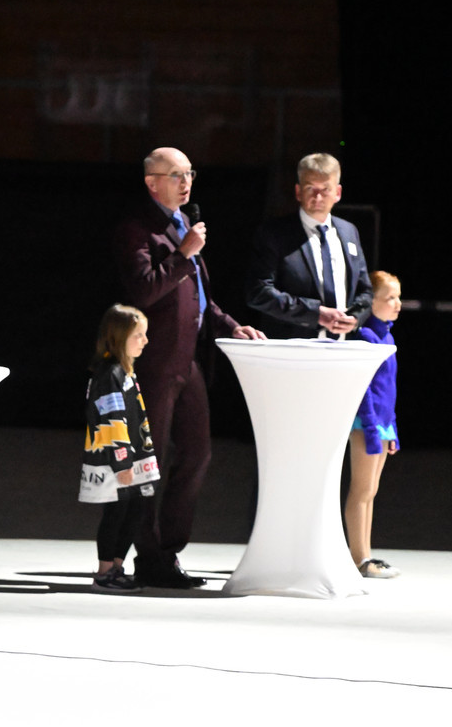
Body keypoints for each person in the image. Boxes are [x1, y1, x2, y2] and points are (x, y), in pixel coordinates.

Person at [114, 147, 266, 589]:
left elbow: (199, 299)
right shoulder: (137, 229)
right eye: (175, 175)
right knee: (151, 460)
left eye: (189, 174)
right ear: (151, 183)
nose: (185, 183)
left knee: (198, 453)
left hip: (189, 359)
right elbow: (143, 292)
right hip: (154, 360)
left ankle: (168, 550)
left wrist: (231, 325)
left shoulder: (184, 226)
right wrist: (184, 253)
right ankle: (148, 556)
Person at [246, 152, 373, 339]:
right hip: (293, 346)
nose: (318, 197)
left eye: (325, 189)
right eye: (310, 188)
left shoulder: (349, 232)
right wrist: (315, 314)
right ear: (298, 192)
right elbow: (258, 292)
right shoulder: (274, 234)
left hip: (342, 346)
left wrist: (355, 317)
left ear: (338, 193)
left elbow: (365, 291)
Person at [78, 304, 159, 594]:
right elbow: (111, 419)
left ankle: (116, 566)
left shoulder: (125, 371)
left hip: (134, 457)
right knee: (116, 512)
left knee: (134, 511)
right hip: (117, 460)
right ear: (119, 337)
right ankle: (104, 573)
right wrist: (122, 462)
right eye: (138, 335)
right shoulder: (109, 373)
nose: (145, 341)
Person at [345, 271, 403, 579]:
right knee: (361, 490)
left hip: (383, 423)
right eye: (390, 298)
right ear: (371, 302)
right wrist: (369, 427)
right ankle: (359, 558)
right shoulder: (365, 336)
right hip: (366, 423)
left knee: (371, 491)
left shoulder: (386, 337)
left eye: (398, 297)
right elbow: (364, 389)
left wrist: (392, 428)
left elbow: (388, 389)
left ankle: (365, 554)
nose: (397, 304)